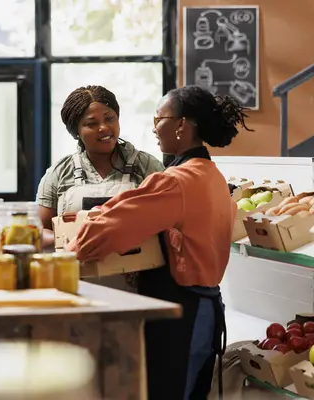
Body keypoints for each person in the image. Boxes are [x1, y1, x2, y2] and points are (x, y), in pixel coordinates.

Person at [65, 85, 252, 399]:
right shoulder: (212, 176)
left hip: (181, 318)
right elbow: (130, 207)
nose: (154, 127)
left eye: (159, 119)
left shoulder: (175, 181)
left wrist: (67, 250)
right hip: (205, 312)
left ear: (181, 125)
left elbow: (101, 233)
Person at [36, 85, 165, 291]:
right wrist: (76, 238)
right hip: (76, 284)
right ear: (76, 131)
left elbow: (168, 223)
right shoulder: (59, 173)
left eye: (109, 118)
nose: (103, 128)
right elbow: (39, 232)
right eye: (91, 123)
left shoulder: (147, 166)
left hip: (138, 287)